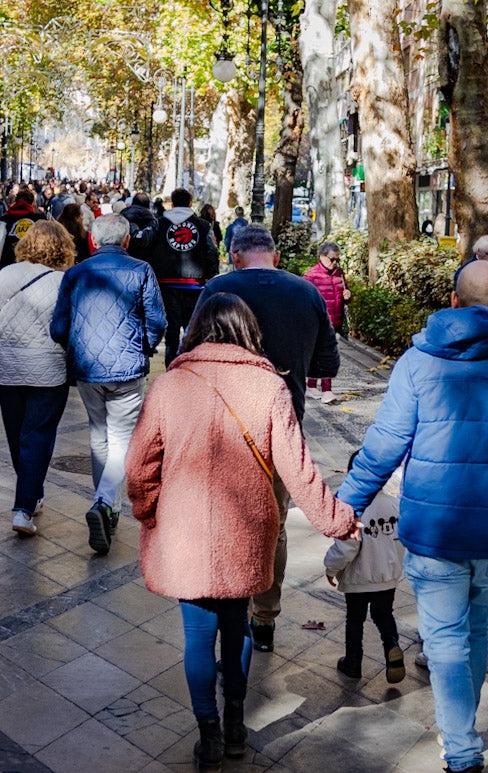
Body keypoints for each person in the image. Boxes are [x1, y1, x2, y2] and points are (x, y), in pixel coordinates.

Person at [336, 261, 488, 773]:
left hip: (434, 531)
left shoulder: (418, 363)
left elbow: (382, 448)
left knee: (444, 641)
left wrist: (344, 509)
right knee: (475, 630)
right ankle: (460, 735)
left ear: (454, 302)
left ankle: (461, 750)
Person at [126, 294, 357, 770]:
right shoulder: (269, 386)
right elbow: (299, 472)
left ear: (196, 331)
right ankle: (235, 726)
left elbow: (138, 467)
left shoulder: (170, 385)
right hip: (248, 531)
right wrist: (338, 520)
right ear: (249, 332)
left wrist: (150, 510)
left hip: (185, 531)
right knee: (239, 628)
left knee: (196, 638)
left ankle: (208, 735)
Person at [194, 224, 339, 652]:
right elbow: (327, 364)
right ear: (274, 256)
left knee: (221, 519)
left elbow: (189, 354)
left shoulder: (217, 290)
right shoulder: (305, 292)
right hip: (281, 428)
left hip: (219, 427)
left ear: (235, 256)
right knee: (272, 525)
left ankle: (225, 608)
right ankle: (265, 618)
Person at [50, 214, 166, 556]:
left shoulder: (75, 273)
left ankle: (107, 507)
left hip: (87, 369)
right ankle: (103, 503)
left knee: (99, 436)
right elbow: (157, 321)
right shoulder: (141, 270)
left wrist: (78, 345)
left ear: (93, 241)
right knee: (120, 440)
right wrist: (142, 345)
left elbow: (58, 327)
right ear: (127, 240)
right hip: (127, 369)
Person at [0, 221, 76, 537]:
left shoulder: (7, 274)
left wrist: (5, 347)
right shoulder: (66, 281)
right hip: (49, 370)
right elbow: (69, 328)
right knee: (37, 435)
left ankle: (30, 492)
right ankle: (24, 507)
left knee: (16, 434)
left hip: (8, 367)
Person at [324, 488, 405, 682]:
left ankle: (353, 662)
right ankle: (391, 645)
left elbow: (347, 547)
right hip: (386, 576)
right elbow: (401, 540)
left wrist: (330, 568)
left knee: (355, 619)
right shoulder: (394, 504)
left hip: (359, 577)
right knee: (384, 614)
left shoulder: (353, 507)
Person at [133, 188, 219, 366]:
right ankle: (190, 366)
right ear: (190, 203)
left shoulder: (159, 223)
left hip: (166, 284)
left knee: (171, 332)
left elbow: (141, 243)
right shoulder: (202, 226)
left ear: (171, 204)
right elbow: (212, 252)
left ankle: (171, 368)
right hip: (195, 285)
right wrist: (210, 274)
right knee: (193, 329)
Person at [303, 240, 351, 404]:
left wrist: (348, 296)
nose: (335, 263)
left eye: (337, 259)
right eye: (332, 259)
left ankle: (311, 386)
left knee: (320, 354)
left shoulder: (339, 273)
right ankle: (327, 391)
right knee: (326, 355)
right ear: (322, 257)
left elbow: (344, 295)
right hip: (319, 323)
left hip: (335, 321)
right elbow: (303, 300)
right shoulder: (311, 275)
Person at [0, 188, 46, 282]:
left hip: (8, 268)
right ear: (32, 202)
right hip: (34, 269)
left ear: (15, 201)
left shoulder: (3, 221)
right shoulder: (41, 221)